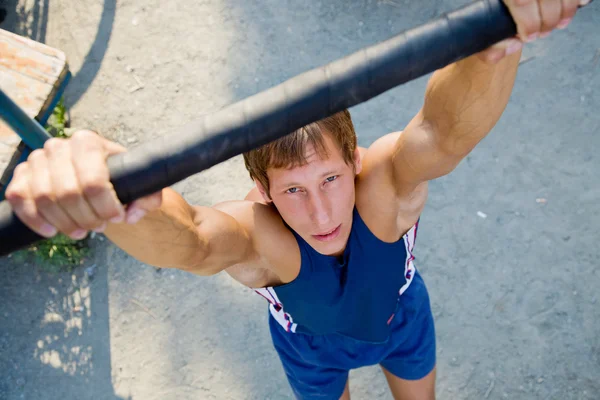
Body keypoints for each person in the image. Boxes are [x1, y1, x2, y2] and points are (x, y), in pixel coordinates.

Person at [4, 1, 585, 398]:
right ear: (262, 193)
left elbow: (443, 132)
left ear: (355, 164)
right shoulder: (263, 239)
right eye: (294, 191)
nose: (322, 212)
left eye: (331, 179)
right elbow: (195, 242)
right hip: (310, 350)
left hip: (401, 318)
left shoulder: (381, 189)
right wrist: (111, 186)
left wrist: (499, 42)